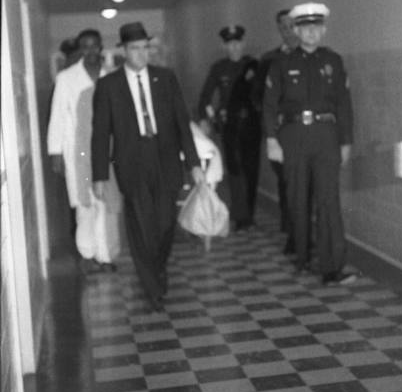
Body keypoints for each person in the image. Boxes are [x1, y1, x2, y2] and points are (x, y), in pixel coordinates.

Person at [91, 22, 204, 312]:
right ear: (124, 51)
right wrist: (100, 175)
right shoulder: (108, 85)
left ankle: (157, 267)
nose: (142, 54)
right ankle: (152, 286)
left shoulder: (165, 79)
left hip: (165, 157)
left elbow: (182, 123)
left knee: (165, 223)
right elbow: (101, 132)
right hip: (132, 161)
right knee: (141, 224)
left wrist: (193, 164)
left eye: (145, 48)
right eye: (135, 49)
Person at [262, 2, 357, 285]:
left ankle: (332, 267)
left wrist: (346, 141)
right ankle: (302, 256)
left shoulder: (334, 61)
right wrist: (271, 140)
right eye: (305, 28)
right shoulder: (281, 64)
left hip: (326, 136)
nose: (311, 33)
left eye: (316, 28)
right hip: (292, 136)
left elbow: (344, 104)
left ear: (324, 30)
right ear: (296, 30)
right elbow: (269, 105)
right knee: (297, 198)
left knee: (329, 201)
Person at [47, 29, 122, 275]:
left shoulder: (111, 76)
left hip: (108, 150)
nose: (90, 51)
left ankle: (106, 255)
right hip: (79, 151)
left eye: (94, 46)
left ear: (101, 47)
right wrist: (56, 152)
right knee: (85, 205)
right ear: (80, 49)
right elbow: (57, 116)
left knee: (107, 205)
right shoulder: (67, 78)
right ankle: (87, 254)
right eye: (85, 47)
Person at [198, 25, 261, 231]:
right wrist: (212, 118)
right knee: (235, 170)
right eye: (230, 44)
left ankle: (249, 213)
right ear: (224, 45)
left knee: (251, 170)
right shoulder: (219, 68)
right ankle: (240, 214)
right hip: (230, 127)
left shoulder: (253, 66)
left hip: (252, 125)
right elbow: (205, 99)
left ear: (242, 43)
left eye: (237, 43)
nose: (234, 48)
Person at [253, 9, 303, 254]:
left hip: (307, 132)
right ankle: (294, 234)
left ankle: (302, 233)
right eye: (282, 26)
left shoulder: (310, 56)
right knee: (288, 184)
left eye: (291, 25)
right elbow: (258, 97)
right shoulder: (269, 60)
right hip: (281, 134)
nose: (287, 30)